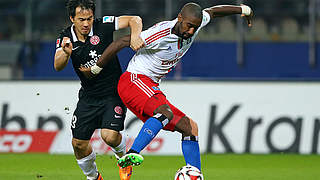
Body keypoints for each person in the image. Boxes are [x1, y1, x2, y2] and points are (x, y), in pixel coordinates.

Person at [80, 2, 253, 173]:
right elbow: (121, 42)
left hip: (149, 85)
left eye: (195, 27)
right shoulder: (160, 34)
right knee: (165, 113)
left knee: (190, 127)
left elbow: (213, 12)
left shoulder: (195, 23)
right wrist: (95, 69)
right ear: (179, 18)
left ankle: (195, 175)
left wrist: (243, 10)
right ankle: (132, 153)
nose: (191, 31)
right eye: (189, 26)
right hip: (133, 81)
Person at [54, 0, 144, 180]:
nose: (86, 24)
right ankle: (94, 177)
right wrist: (65, 52)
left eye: (89, 18)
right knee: (78, 144)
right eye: (81, 19)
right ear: (72, 18)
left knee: (109, 137)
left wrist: (135, 36)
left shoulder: (103, 25)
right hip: (88, 97)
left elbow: (135, 19)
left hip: (113, 92)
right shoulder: (65, 37)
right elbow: (57, 65)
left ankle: (123, 159)